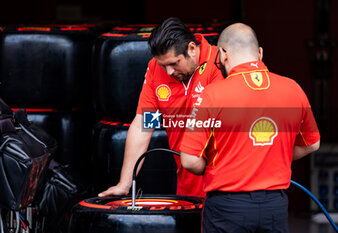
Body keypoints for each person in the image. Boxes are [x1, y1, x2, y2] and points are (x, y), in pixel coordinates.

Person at [180, 23, 320, 233]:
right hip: (275, 206)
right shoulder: (294, 89)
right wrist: (269, 157)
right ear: (260, 53)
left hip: (226, 207)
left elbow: (189, 160)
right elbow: (312, 144)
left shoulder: (211, 95)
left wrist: (225, 163)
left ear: (223, 55)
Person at [98, 17, 224, 197]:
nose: (169, 72)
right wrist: (124, 184)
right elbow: (144, 125)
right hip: (187, 186)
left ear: (191, 48)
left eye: (174, 63)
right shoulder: (156, 70)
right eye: (163, 65)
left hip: (224, 186)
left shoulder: (219, 63)